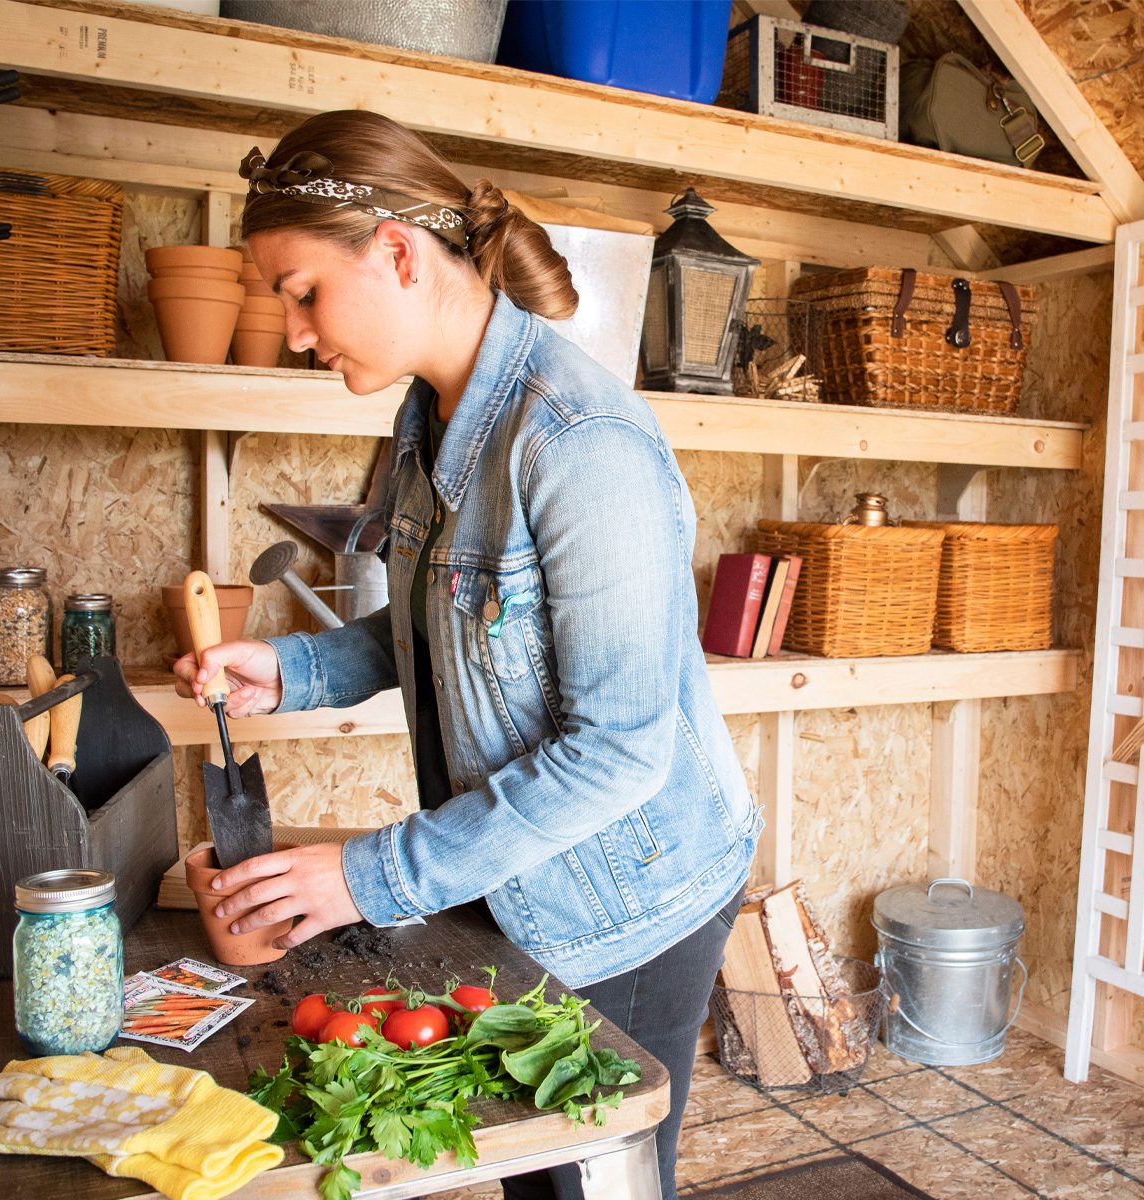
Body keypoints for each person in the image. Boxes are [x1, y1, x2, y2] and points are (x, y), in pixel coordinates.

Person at [174, 109, 762, 1200]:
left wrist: (367, 875)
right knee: (529, 1171)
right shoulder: (427, 420)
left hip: (627, 897)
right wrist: (290, 670)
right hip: (517, 870)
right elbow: (437, 623)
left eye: (302, 291)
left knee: (586, 1183)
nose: (295, 330)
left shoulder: (578, 444)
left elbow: (620, 752)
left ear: (395, 253)